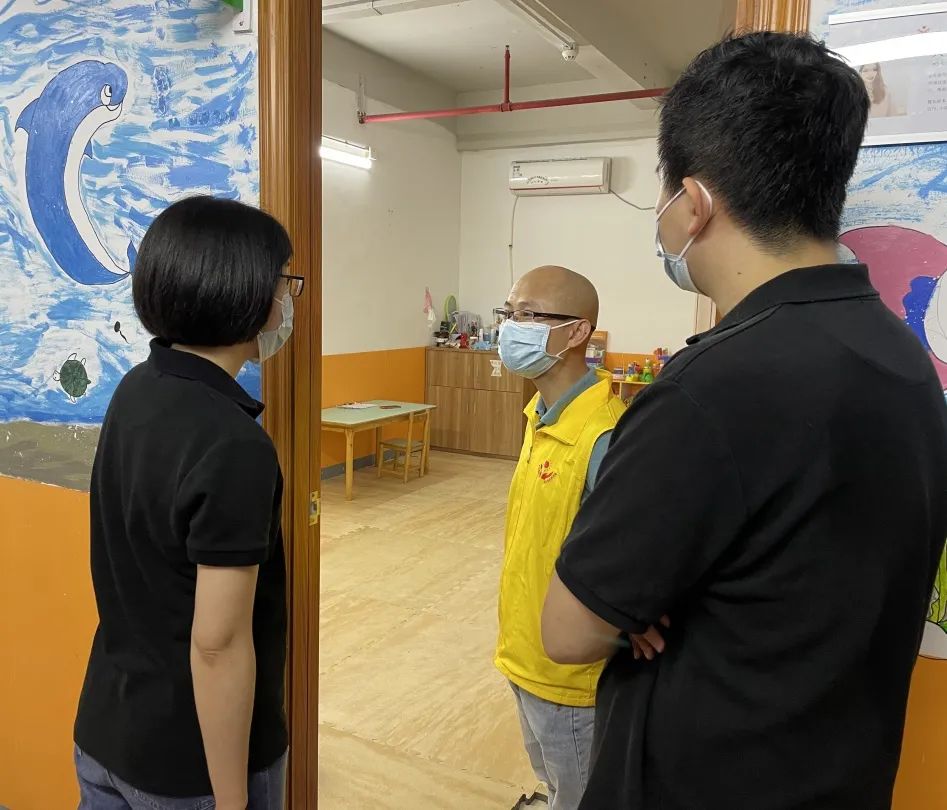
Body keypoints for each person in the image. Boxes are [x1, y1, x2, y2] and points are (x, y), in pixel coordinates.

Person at [541, 32, 947, 810]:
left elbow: (567, 631)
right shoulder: (899, 358)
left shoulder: (709, 390)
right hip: (840, 775)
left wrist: (641, 603)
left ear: (691, 204)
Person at [73, 196, 302, 810]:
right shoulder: (232, 443)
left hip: (107, 728)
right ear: (248, 294)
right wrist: (231, 799)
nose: (288, 299)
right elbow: (218, 646)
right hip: (188, 765)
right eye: (284, 283)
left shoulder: (139, 387)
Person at [494, 266, 626, 810]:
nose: (509, 327)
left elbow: (628, 565)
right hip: (523, 650)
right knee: (553, 782)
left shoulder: (606, 436)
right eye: (508, 313)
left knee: (580, 795)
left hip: (571, 676)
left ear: (577, 332)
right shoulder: (540, 414)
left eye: (527, 315)